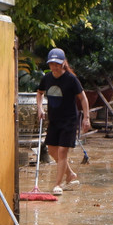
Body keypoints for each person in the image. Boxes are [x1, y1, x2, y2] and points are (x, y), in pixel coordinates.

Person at [35, 48, 90, 195]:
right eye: (52, 64)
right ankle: (70, 174)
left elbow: (83, 98)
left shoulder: (71, 79)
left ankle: (57, 184)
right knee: (52, 150)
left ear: (63, 63)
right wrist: (40, 108)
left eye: (57, 63)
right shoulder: (46, 78)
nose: (54, 66)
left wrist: (86, 117)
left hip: (69, 120)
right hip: (54, 120)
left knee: (62, 152)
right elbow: (39, 93)